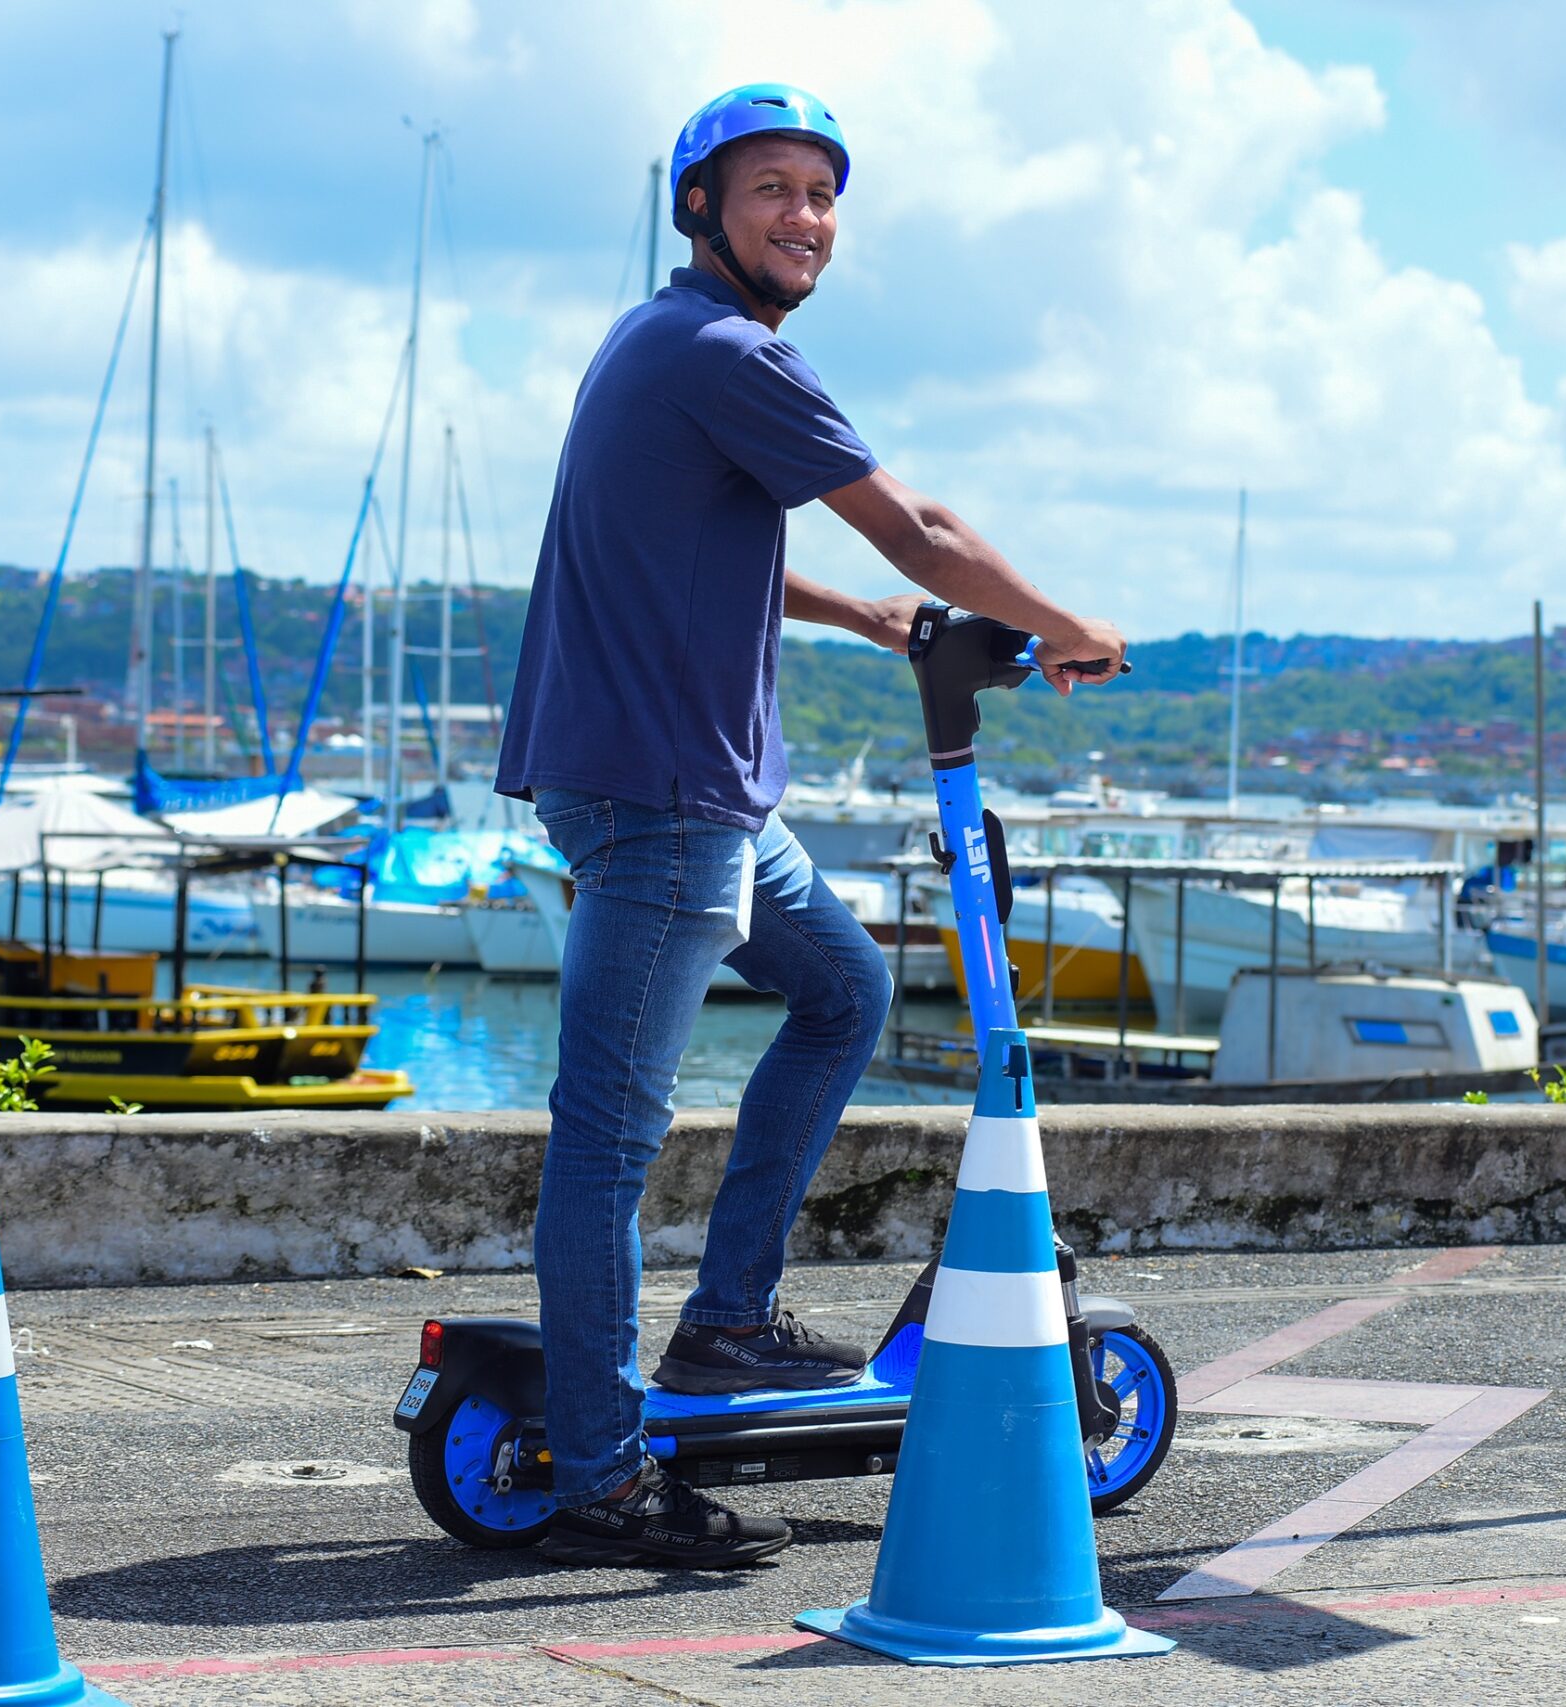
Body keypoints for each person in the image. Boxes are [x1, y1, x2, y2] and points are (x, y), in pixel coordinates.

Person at [495, 83, 1127, 1569]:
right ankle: (596, 1470)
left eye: (824, 194)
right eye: (772, 187)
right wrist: (1069, 623)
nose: (804, 217)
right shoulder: (729, 353)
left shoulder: (663, 343)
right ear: (702, 207)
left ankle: (727, 1324)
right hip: (666, 798)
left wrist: (867, 614)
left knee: (841, 989)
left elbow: (719, 549)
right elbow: (920, 525)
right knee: (607, 1138)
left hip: (684, 789)